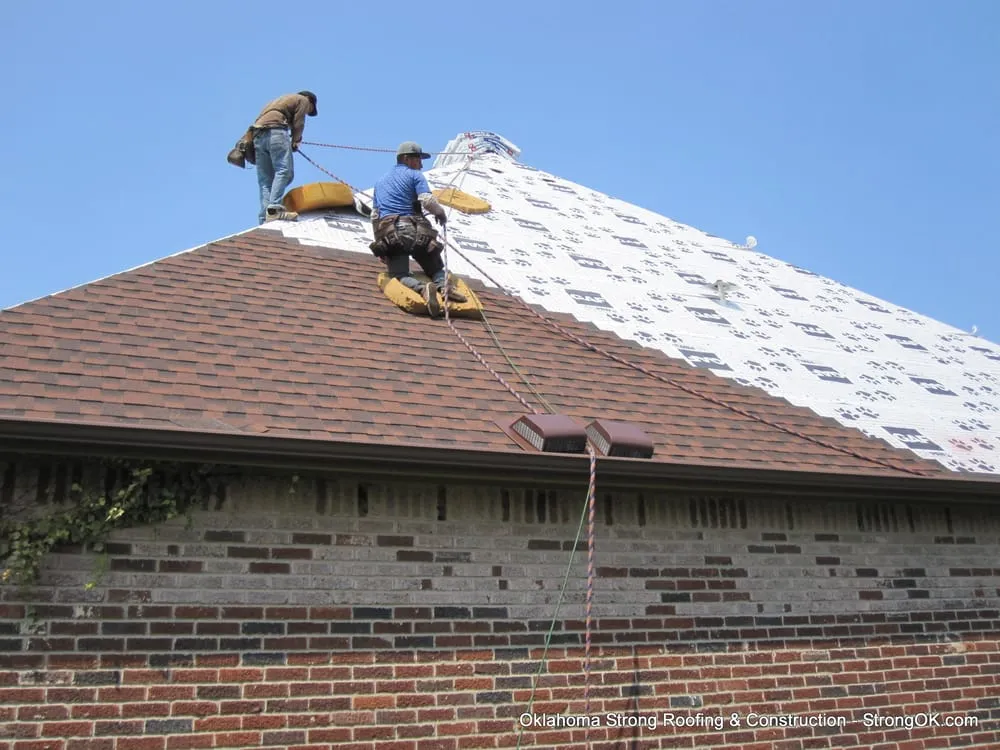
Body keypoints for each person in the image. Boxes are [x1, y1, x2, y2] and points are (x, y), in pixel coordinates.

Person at [369, 142, 466, 318]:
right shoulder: (415, 176)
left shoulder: (379, 182)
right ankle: (444, 287)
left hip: (391, 234)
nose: (421, 165)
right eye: (418, 160)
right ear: (407, 159)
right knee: (434, 266)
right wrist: (440, 213)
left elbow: (375, 216)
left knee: (399, 274)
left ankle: (421, 289)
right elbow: (427, 200)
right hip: (417, 231)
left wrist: (381, 245)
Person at [251, 91, 318, 224]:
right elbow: (299, 123)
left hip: (257, 136)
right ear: (310, 100)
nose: (307, 111)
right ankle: (274, 210)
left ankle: (265, 217)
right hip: (276, 132)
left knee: (265, 180)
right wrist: (296, 140)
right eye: (310, 110)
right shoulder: (303, 100)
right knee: (285, 171)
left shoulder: (275, 102)